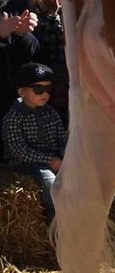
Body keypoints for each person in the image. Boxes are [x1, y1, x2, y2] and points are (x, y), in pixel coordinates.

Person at [3, 62, 65, 223]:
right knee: (49, 179)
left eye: (48, 89)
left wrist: (66, 156)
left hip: (52, 158)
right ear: (22, 92)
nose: (44, 94)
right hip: (24, 162)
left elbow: (61, 138)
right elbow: (18, 149)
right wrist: (49, 160)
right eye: (38, 89)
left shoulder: (51, 113)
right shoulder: (13, 117)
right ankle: (55, 219)